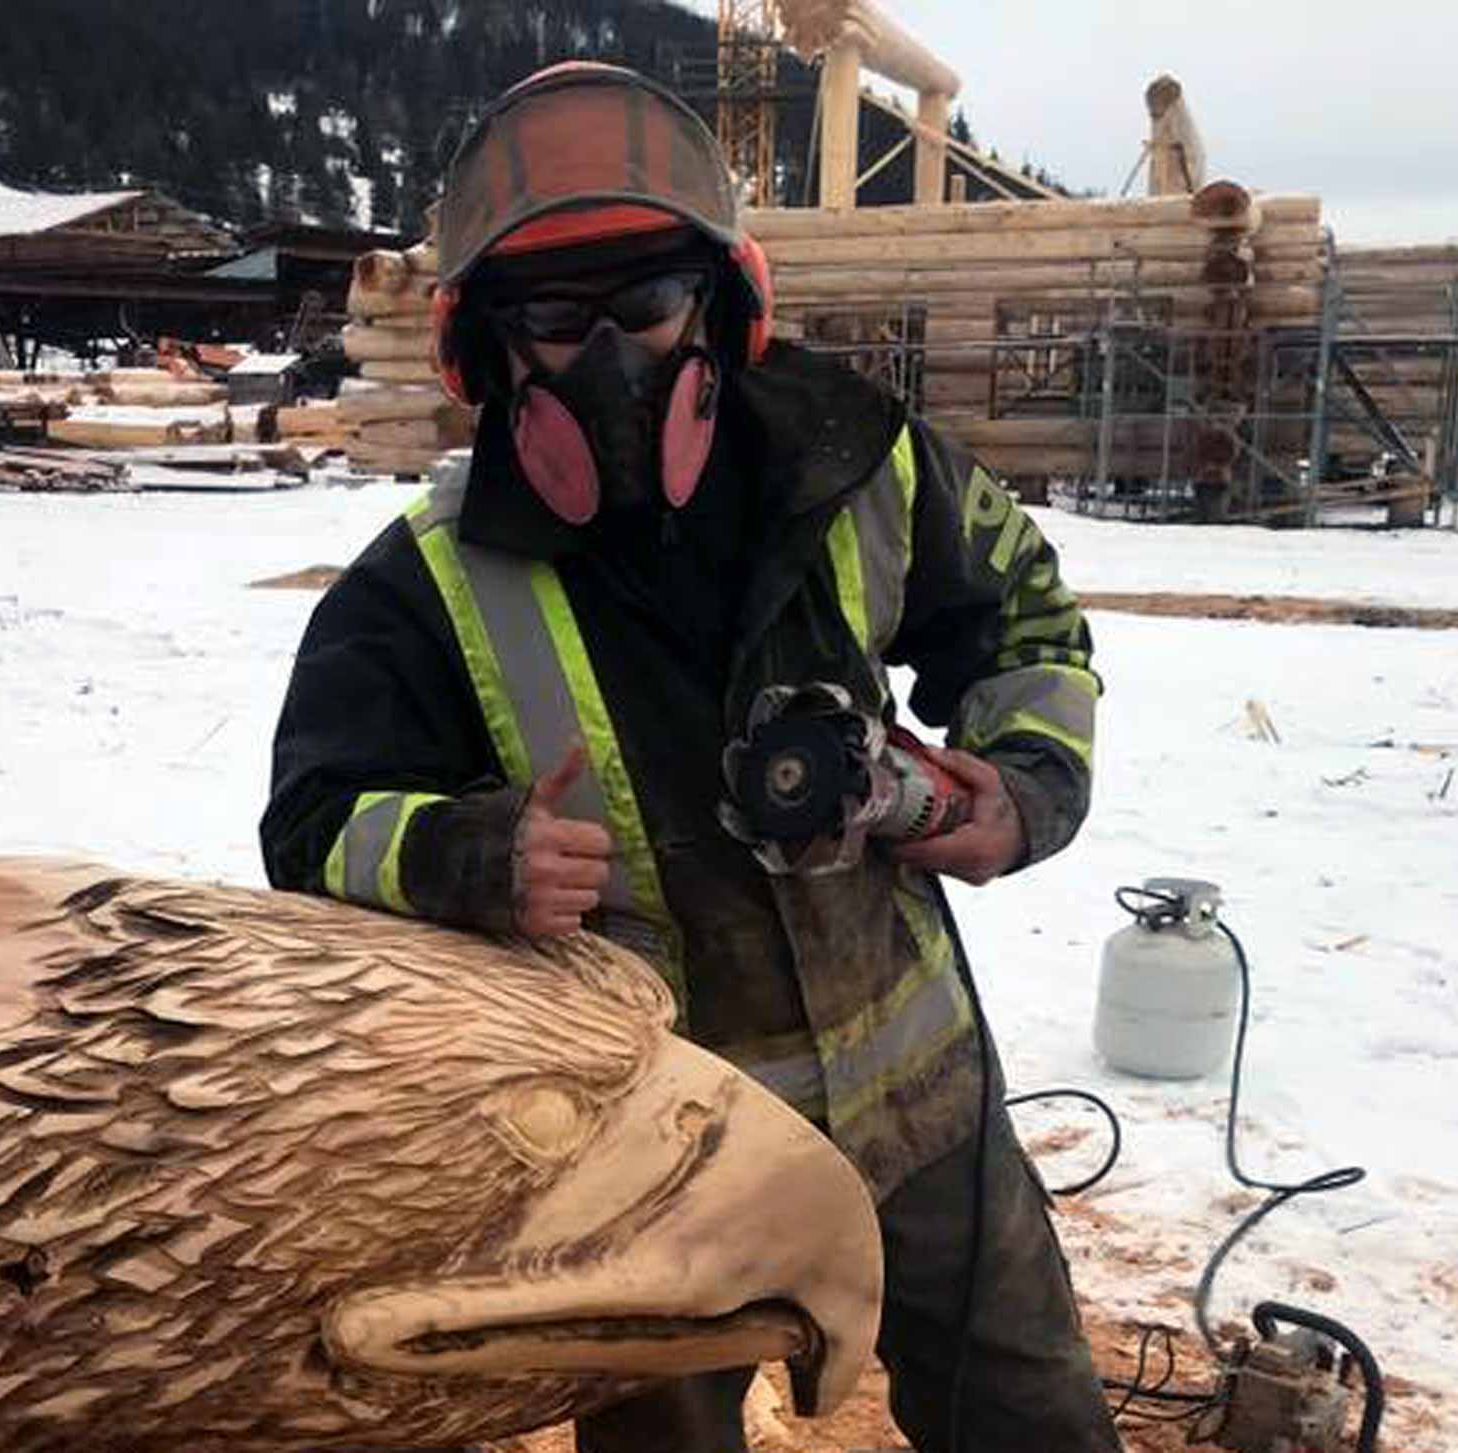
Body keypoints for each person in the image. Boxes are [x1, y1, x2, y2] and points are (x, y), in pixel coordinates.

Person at [260, 62, 1116, 1453]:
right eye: (554, 317)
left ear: (722, 305)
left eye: (646, 305)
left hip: (921, 1113)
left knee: (1032, 1419)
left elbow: (1026, 615)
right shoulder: (425, 583)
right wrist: (462, 853)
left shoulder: (861, 469)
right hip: (646, 1157)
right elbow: (309, 826)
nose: (610, 357)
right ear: (485, 350)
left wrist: (1013, 788)